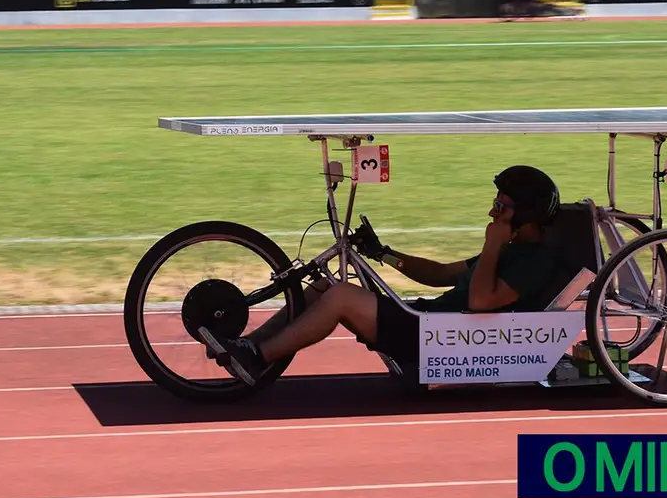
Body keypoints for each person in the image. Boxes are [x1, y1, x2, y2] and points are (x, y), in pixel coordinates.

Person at [208, 165, 561, 386]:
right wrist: (384, 254)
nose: (491, 212)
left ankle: (260, 358)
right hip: (430, 324)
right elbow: (438, 275)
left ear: (525, 214)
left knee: (342, 297)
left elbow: (482, 301)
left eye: (500, 207)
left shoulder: (534, 261)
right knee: (323, 285)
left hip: (439, 340)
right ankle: (250, 346)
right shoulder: (509, 248)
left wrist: (491, 245)